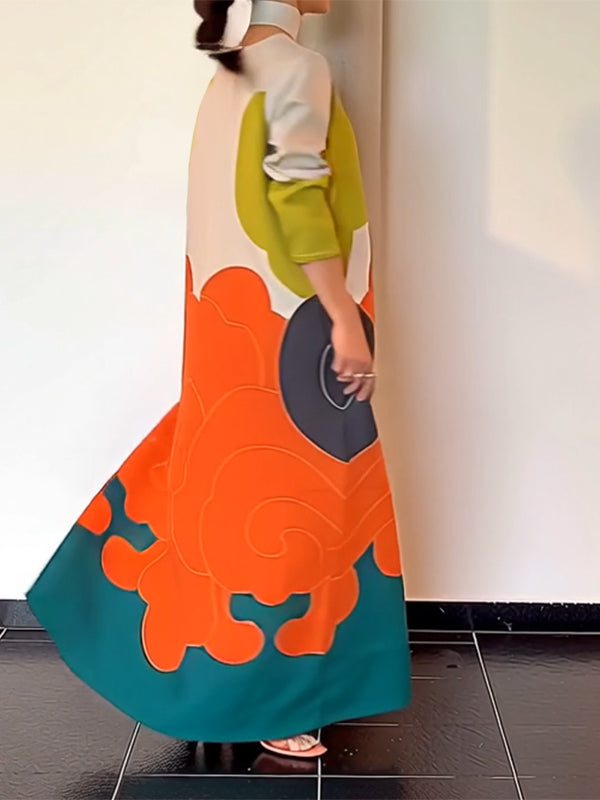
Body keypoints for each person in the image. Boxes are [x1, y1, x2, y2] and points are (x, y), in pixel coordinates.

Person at [25, 0, 411, 760]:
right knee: (303, 496)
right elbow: (297, 194)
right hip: (293, 322)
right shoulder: (298, 66)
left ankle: (108, 612)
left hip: (229, 315)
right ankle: (270, 698)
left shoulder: (228, 76)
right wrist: (341, 312)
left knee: (221, 482)